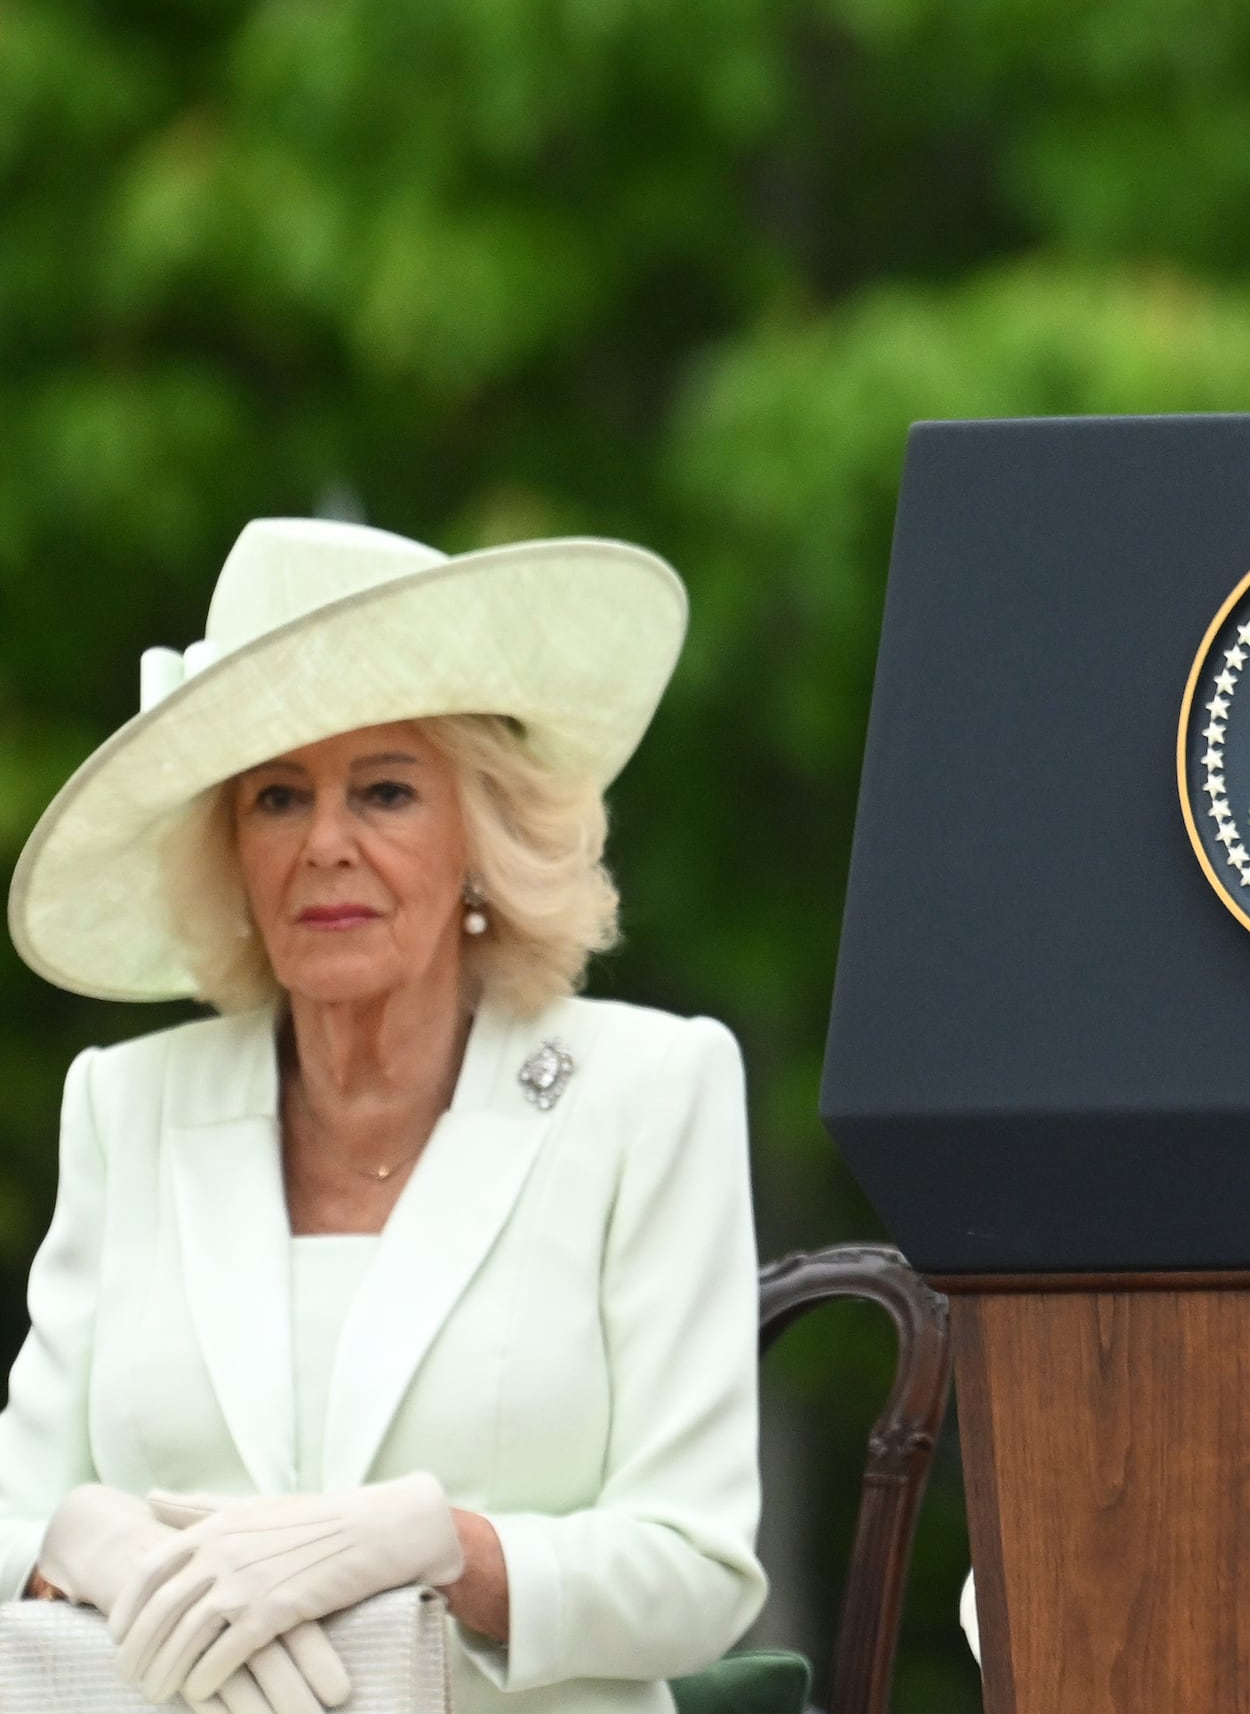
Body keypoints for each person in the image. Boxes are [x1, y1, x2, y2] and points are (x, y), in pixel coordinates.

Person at [0, 517, 767, 1714]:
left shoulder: (649, 1088)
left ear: (483, 837)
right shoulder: (123, 1100)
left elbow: (697, 1568)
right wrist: (75, 1536)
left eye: (387, 789)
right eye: (277, 795)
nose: (326, 844)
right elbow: (12, 1522)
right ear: (231, 848)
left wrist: (438, 1545)